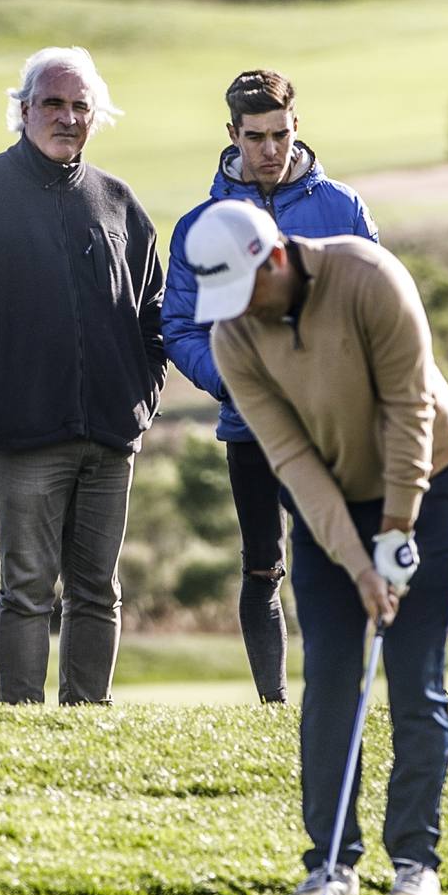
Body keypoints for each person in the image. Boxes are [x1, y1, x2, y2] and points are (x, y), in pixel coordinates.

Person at [190, 201, 448, 895]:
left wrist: (397, 532)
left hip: (426, 487)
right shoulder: (234, 337)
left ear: (275, 257)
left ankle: (414, 863)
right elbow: (288, 457)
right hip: (328, 505)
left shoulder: (370, 277)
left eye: (247, 291)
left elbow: (409, 409)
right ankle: (332, 867)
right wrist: (357, 561)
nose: (241, 310)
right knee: (331, 686)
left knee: (414, 681)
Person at [0, 47, 166, 705]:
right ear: (23, 109)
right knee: (27, 585)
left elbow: (154, 311)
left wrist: (141, 396)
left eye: (80, 105)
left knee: (98, 589)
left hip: (112, 434)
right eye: (53, 104)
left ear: (96, 115)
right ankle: (23, 725)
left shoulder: (116, 200)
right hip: (23, 435)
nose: (66, 117)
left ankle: (86, 721)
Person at [160, 69, 377, 703]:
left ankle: (338, 692)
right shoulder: (201, 224)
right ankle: (273, 705)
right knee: (264, 565)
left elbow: (373, 301)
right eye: (255, 138)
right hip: (249, 426)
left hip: (330, 422)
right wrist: (233, 381)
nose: (269, 151)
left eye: (280, 135)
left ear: (296, 127)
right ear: (232, 135)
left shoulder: (342, 207)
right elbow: (179, 326)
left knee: (336, 555)